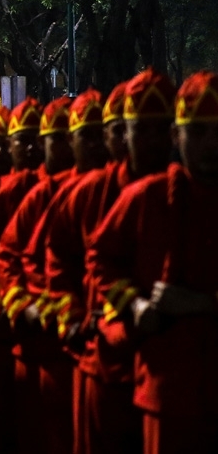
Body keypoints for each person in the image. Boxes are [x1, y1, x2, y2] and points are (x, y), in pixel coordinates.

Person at [88, 69, 218, 452]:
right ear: (178, 137)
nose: (212, 145)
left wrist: (204, 303)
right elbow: (101, 259)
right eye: (198, 133)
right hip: (168, 389)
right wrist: (137, 304)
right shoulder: (147, 198)